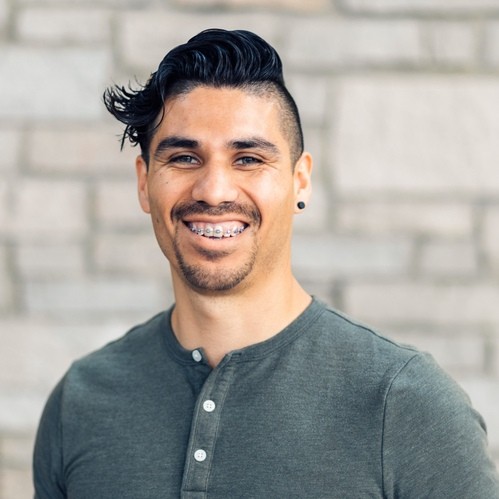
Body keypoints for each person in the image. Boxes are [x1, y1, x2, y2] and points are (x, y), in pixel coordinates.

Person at [33, 28, 499, 498]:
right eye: (185, 157)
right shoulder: (80, 402)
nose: (214, 191)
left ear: (300, 181)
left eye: (249, 159)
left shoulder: (406, 404)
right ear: (144, 183)